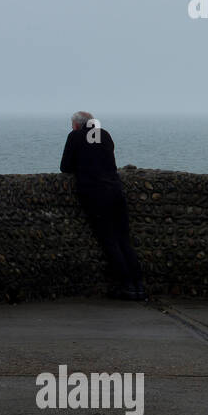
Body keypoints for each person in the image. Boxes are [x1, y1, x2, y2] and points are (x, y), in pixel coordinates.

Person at [59, 111, 146, 300]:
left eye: (72, 124)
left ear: (76, 125)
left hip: (96, 194)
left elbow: (65, 167)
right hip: (115, 191)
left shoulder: (75, 136)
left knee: (110, 241)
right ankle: (139, 286)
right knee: (124, 239)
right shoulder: (104, 134)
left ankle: (127, 287)